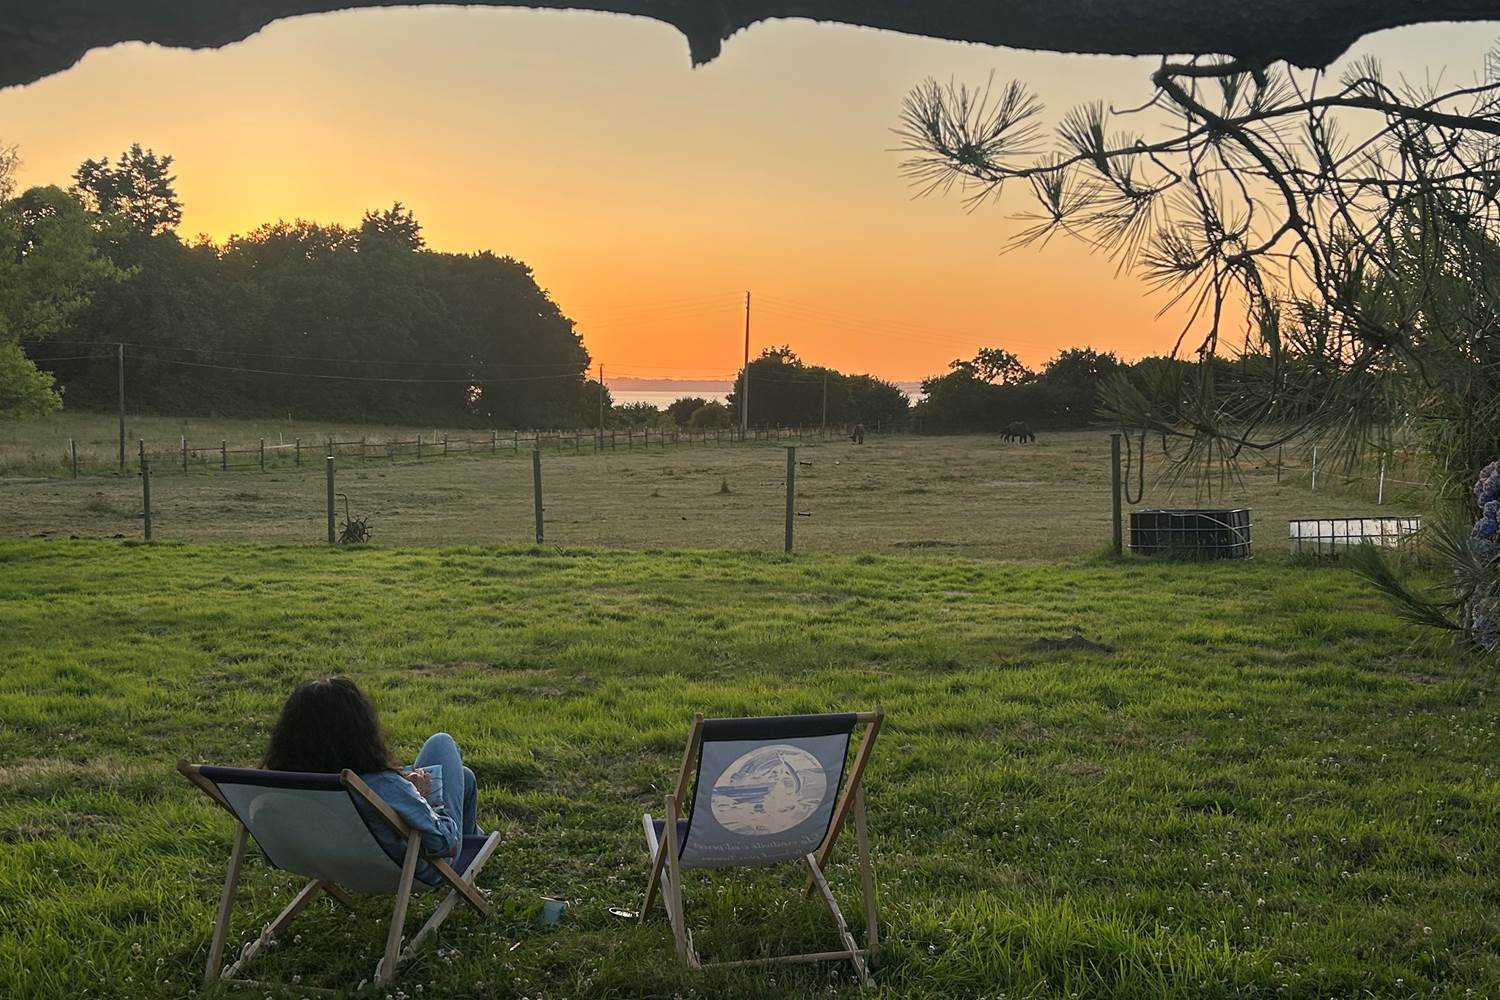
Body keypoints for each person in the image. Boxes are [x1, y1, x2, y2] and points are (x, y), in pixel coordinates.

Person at [262, 676, 482, 885]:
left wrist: (404, 787)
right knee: (441, 742)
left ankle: (470, 875)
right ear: (360, 730)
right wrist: (424, 798)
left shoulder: (280, 785)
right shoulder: (380, 785)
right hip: (415, 869)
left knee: (464, 777)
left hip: (327, 862)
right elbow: (445, 844)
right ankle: (466, 872)